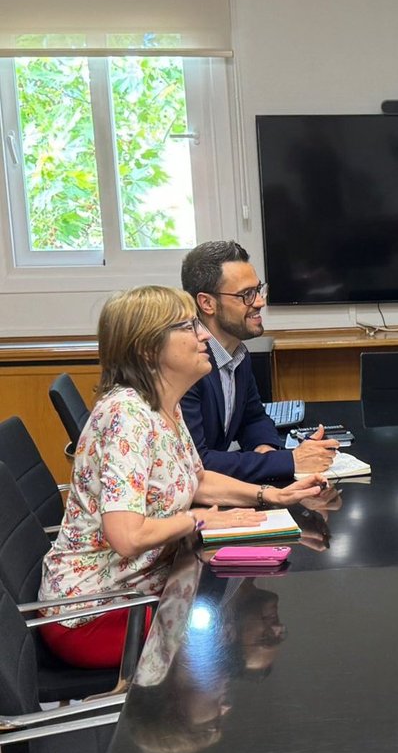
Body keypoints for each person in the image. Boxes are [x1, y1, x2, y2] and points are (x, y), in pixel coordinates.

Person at [40, 286, 325, 669]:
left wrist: (269, 497)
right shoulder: (127, 418)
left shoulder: (162, 406)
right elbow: (126, 537)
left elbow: (197, 479)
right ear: (146, 348)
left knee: (230, 617)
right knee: (227, 637)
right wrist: (198, 519)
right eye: (188, 327)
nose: (204, 335)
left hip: (145, 591)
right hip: (95, 613)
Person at [180, 241, 338, 481]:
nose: (260, 302)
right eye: (246, 294)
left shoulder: (238, 353)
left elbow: (253, 417)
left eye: (258, 289)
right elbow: (196, 462)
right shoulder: (185, 363)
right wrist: (287, 460)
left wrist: (266, 448)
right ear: (207, 303)